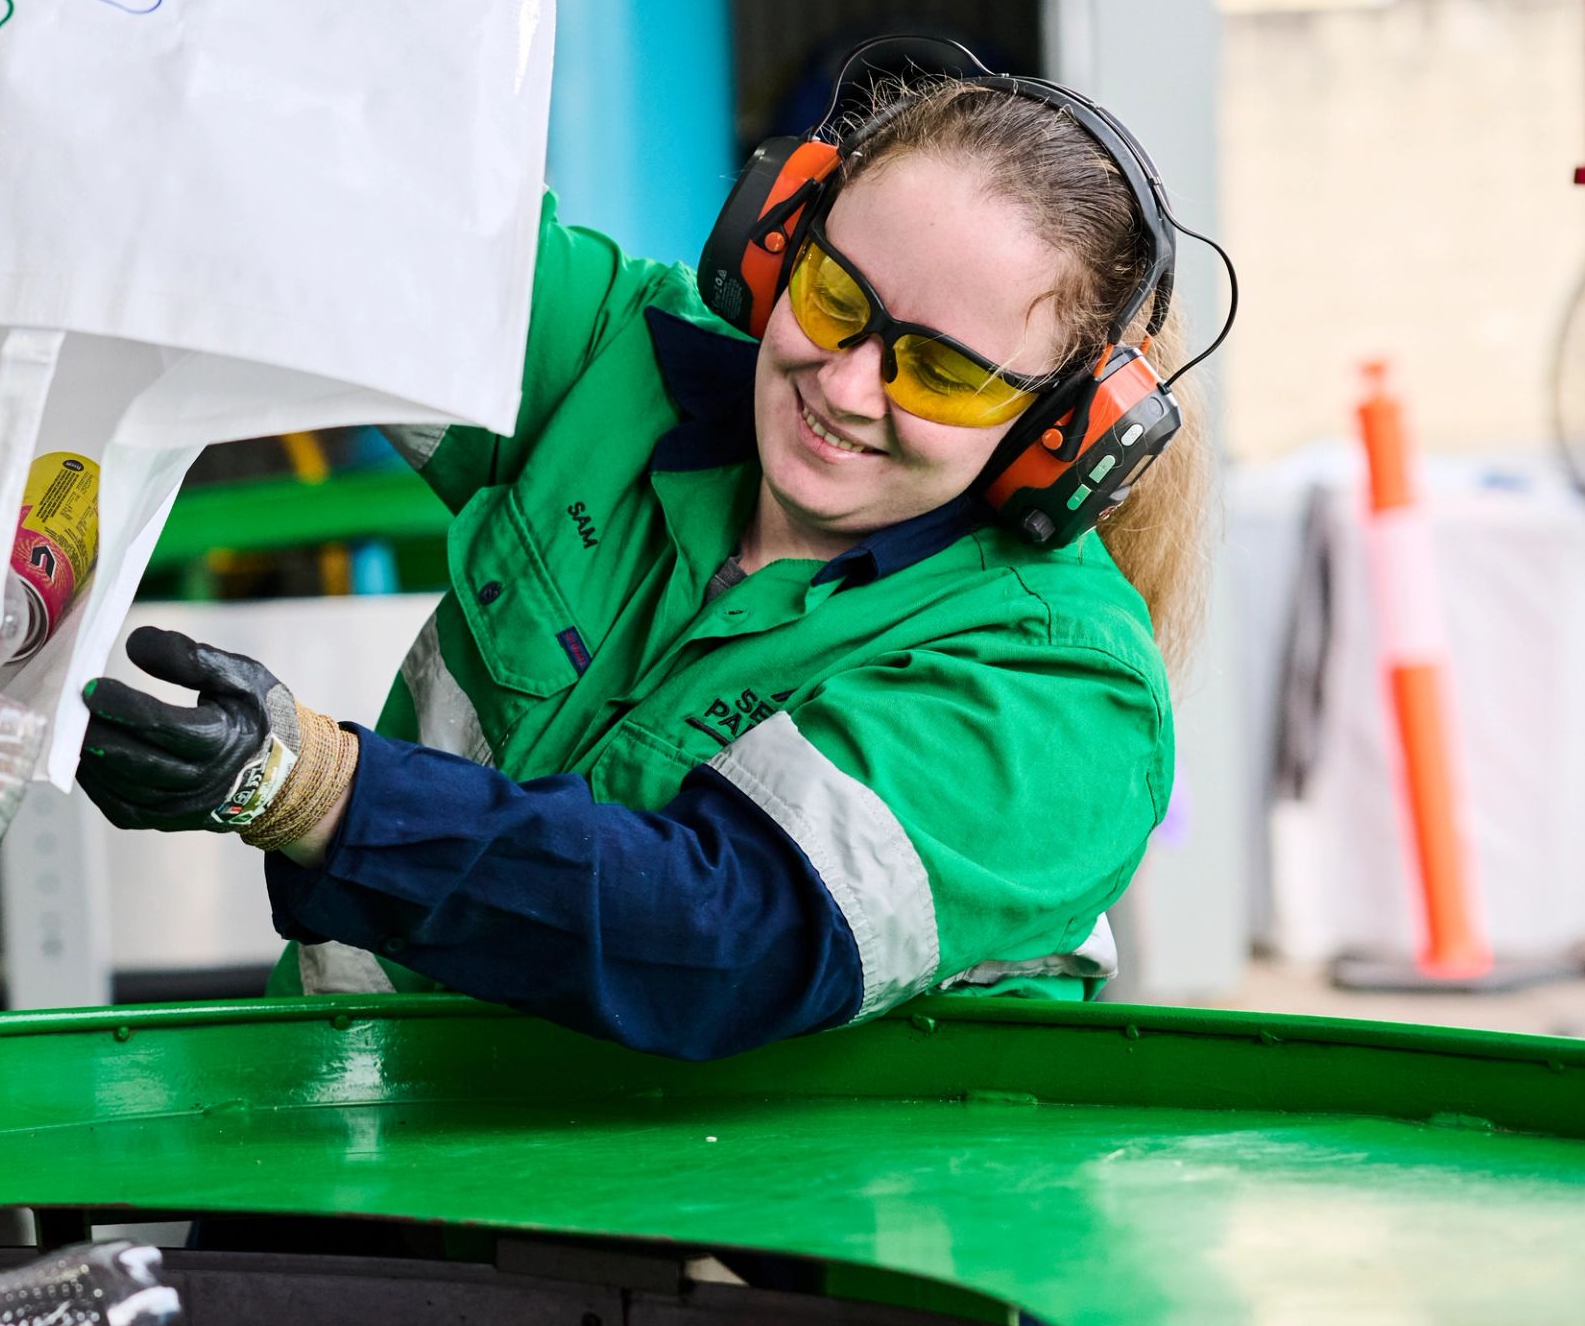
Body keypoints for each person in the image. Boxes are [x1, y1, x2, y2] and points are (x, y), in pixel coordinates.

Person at [74, 65, 1220, 1058]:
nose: (845, 384)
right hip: (352, 1129)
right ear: (779, 241)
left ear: (1062, 431)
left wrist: (318, 790)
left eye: (943, 372)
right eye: (835, 299)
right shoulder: (623, 364)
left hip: (740, 1264)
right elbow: (320, 207)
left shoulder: (1065, 693)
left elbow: (720, 937)